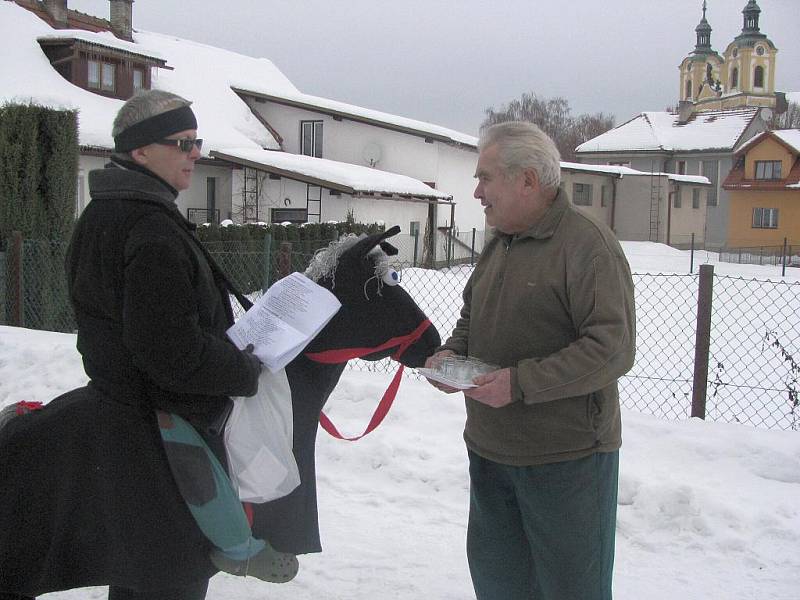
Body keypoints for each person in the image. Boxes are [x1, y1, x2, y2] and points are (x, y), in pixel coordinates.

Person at [0, 90, 295, 600]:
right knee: (167, 576)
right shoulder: (148, 227)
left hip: (126, 426)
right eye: (182, 143)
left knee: (138, 575)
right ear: (140, 151)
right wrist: (243, 370)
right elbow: (170, 355)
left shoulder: (106, 214)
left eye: (196, 141)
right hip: (156, 443)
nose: (195, 154)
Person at [425, 121, 636, 600]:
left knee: (569, 590)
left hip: (566, 461)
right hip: (490, 451)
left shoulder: (587, 246)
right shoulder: (500, 241)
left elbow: (611, 348)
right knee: (500, 586)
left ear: (528, 181)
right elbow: (471, 318)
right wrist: (453, 354)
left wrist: (520, 383)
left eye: (486, 177)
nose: (477, 192)